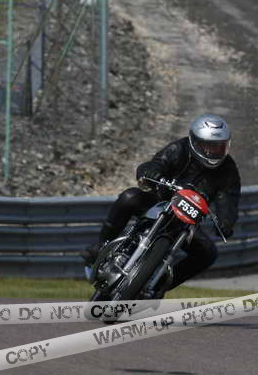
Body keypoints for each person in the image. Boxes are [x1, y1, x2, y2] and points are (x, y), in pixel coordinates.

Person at [82, 114, 241, 292]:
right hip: (158, 202)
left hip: (186, 222)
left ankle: (159, 286)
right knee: (129, 197)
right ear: (195, 142)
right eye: (208, 146)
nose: (214, 152)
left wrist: (226, 220)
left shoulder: (228, 169)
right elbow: (158, 163)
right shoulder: (179, 148)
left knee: (208, 253)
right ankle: (102, 246)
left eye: (219, 146)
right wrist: (151, 171)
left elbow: (228, 197)